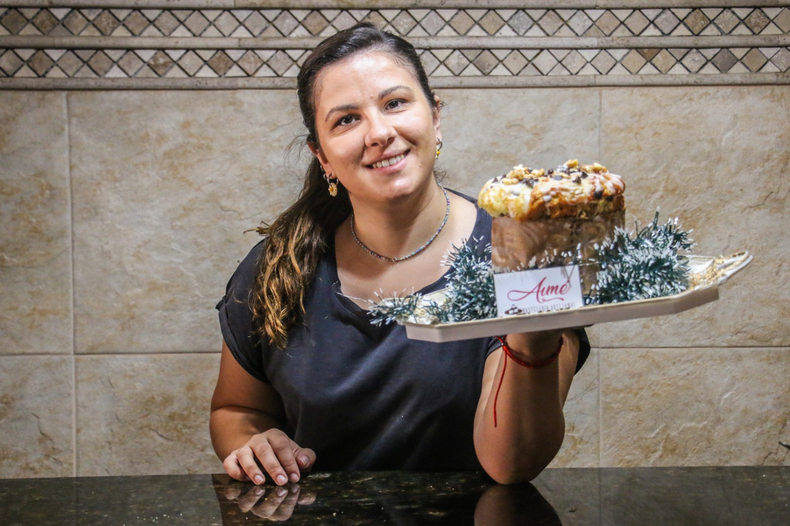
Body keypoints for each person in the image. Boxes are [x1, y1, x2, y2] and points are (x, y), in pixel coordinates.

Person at [210, 22, 590, 486]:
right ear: (322, 156)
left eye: (395, 103)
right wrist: (253, 441)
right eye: (346, 119)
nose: (379, 132)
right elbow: (236, 408)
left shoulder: (527, 255)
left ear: (435, 116)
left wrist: (532, 327)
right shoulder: (279, 265)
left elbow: (511, 463)